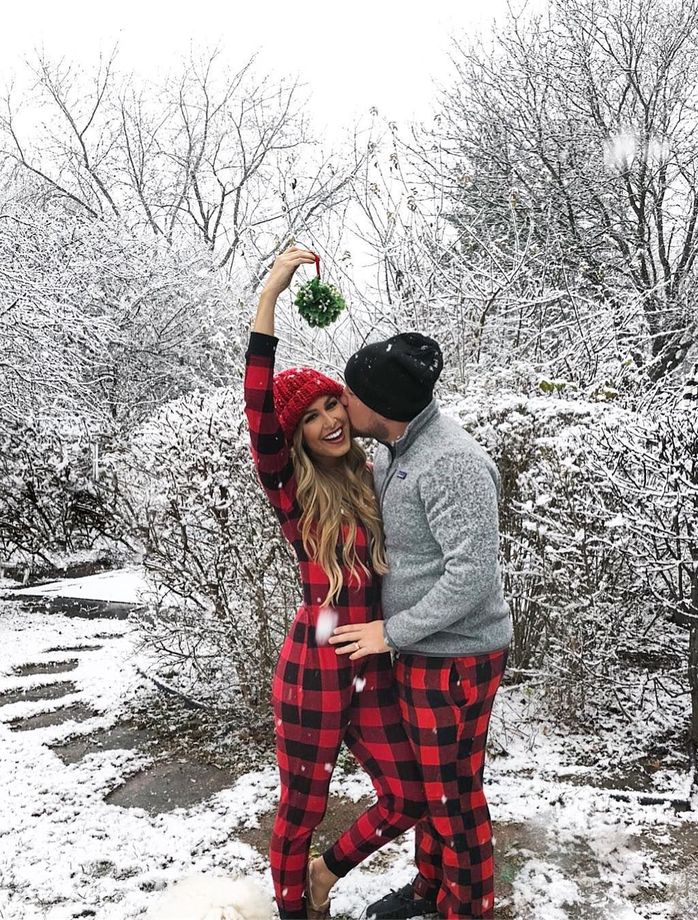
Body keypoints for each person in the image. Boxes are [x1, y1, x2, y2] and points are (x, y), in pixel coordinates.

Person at [243, 248, 426, 920]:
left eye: (332, 404)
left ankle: (324, 875)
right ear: (295, 436)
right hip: (314, 666)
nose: (330, 420)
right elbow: (259, 407)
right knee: (302, 806)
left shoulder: (375, 478)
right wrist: (270, 297)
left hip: (370, 661)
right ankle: (295, 909)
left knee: (407, 794)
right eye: (313, 415)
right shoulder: (290, 490)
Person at [328, 332, 512, 920]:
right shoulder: (395, 449)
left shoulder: (451, 462)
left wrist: (392, 632)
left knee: (453, 796)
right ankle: (429, 890)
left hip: (453, 656)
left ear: (378, 405)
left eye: (348, 394)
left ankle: (466, 910)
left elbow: (473, 575)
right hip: (423, 652)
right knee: (435, 786)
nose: (340, 403)